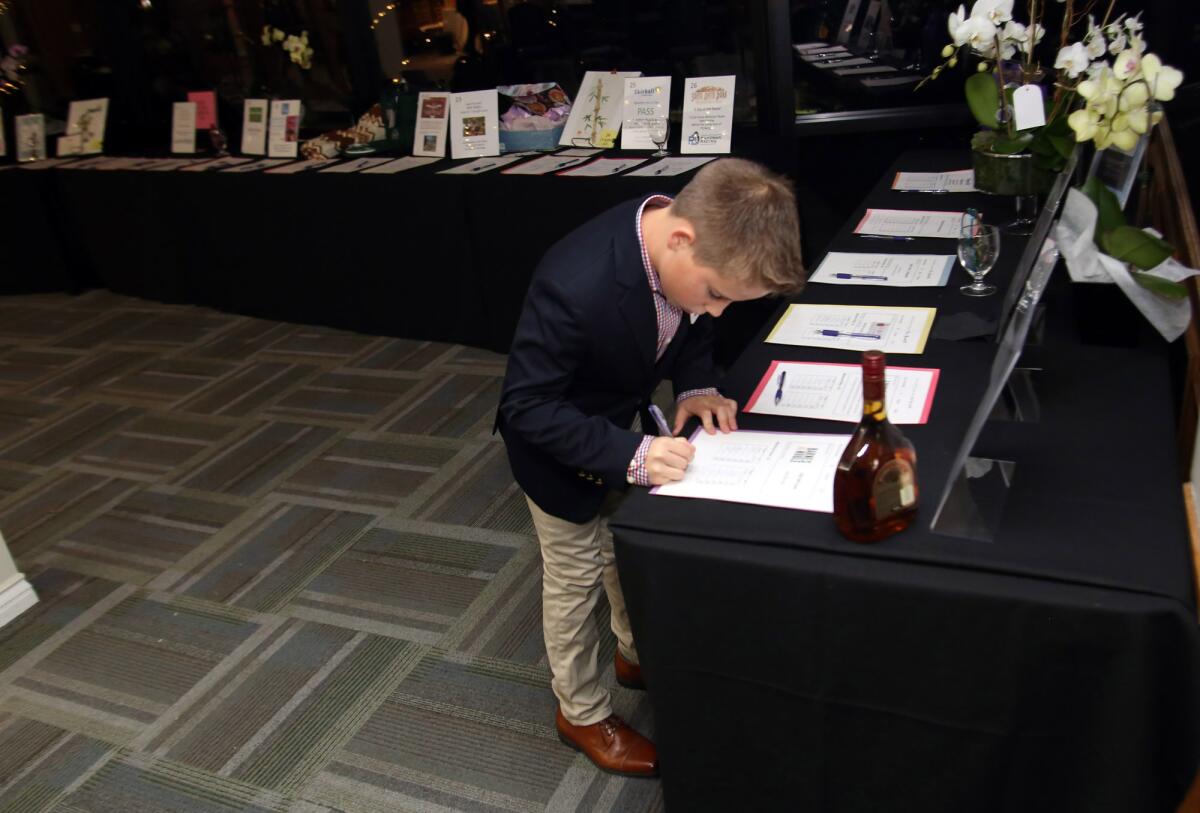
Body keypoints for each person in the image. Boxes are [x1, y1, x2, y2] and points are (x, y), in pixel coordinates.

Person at [496, 157, 805, 777]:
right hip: (559, 450)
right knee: (576, 574)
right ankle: (579, 712)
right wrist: (630, 454)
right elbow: (524, 407)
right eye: (718, 295)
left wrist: (694, 384)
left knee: (621, 550)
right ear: (681, 238)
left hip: (618, 423)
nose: (718, 311)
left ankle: (634, 655)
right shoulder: (574, 281)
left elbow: (690, 329)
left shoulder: (687, 251)